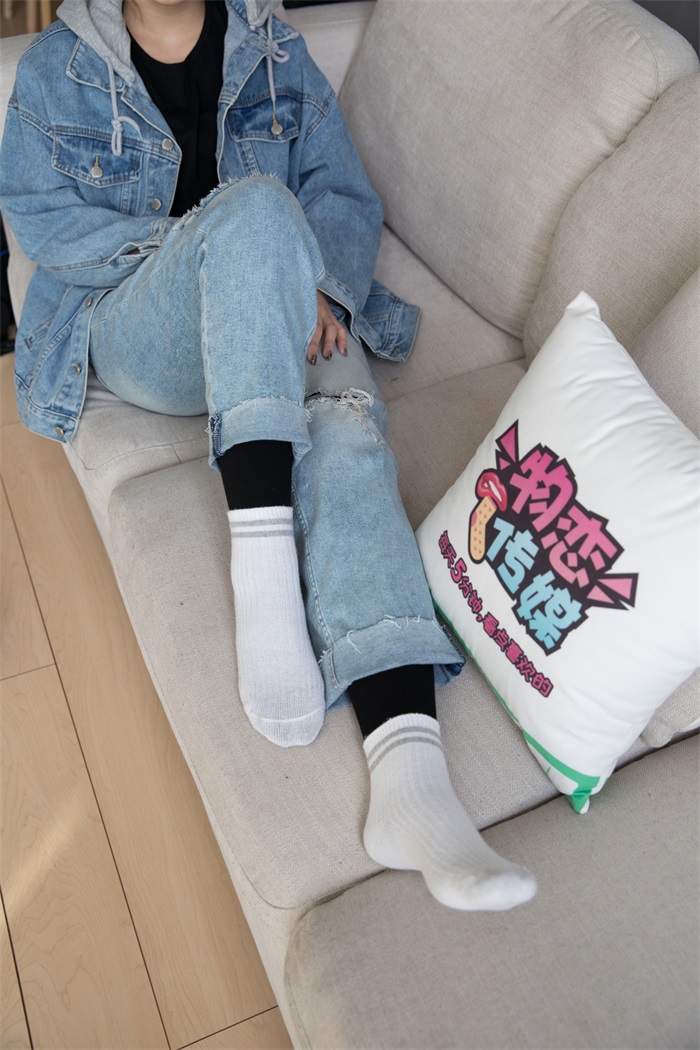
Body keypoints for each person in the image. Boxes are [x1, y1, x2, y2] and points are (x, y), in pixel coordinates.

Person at [0, 0, 536, 911]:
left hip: (284, 312)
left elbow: (342, 195)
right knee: (253, 213)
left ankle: (411, 773)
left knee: (347, 428)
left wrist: (312, 281)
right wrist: (229, 247)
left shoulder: (276, 51)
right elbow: (44, 221)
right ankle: (264, 578)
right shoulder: (59, 66)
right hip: (145, 322)